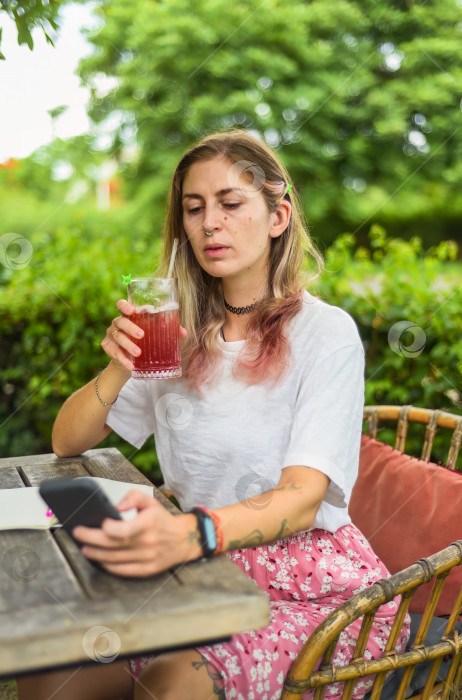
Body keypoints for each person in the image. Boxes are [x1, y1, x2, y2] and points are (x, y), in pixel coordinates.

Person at [17, 129, 409, 700]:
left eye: (230, 203)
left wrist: (189, 532)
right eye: (193, 209)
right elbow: (67, 442)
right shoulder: (173, 333)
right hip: (194, 566)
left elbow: (302, 497)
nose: (208, 224)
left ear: (278, 216)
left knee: (168, 684)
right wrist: (119, 366)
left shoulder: (326, 335)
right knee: (55, 669)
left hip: (306, 587)